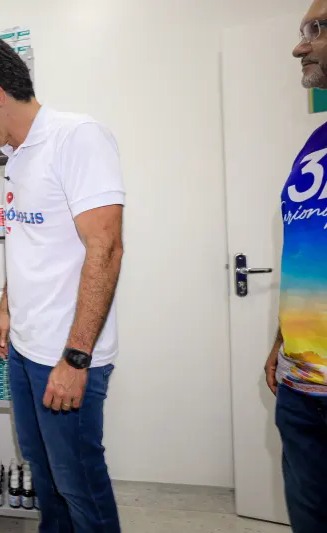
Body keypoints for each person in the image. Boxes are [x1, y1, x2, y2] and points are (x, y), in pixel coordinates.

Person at [0, 38, 125, 533]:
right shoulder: (18, 157)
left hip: (64, 353)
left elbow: (107, 248)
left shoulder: (77, 138)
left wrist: (76, 358)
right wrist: (7, 308)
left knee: (79, 483)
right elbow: (25, 241)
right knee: (44, 477)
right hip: (25, 351)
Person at [264, 2, 327, 531]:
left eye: (317, 28)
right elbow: (308, 252)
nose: (299, 46)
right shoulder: (315, 145)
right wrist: (283, 340)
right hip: (302, 389)